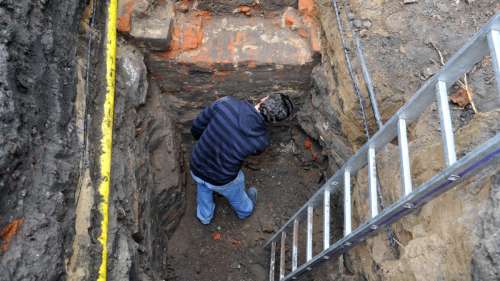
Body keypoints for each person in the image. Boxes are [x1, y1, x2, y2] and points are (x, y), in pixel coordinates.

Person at [190, 94, 294, 224]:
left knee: (203, 187)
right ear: (273, 121)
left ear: (264, 99)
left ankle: (204, 217)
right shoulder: (261, 141)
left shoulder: (226, 104)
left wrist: (208, 143)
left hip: (197, 163)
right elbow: (253, 153)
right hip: (221, 178)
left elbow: (197, 127)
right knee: (236, 188)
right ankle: (245, 211)